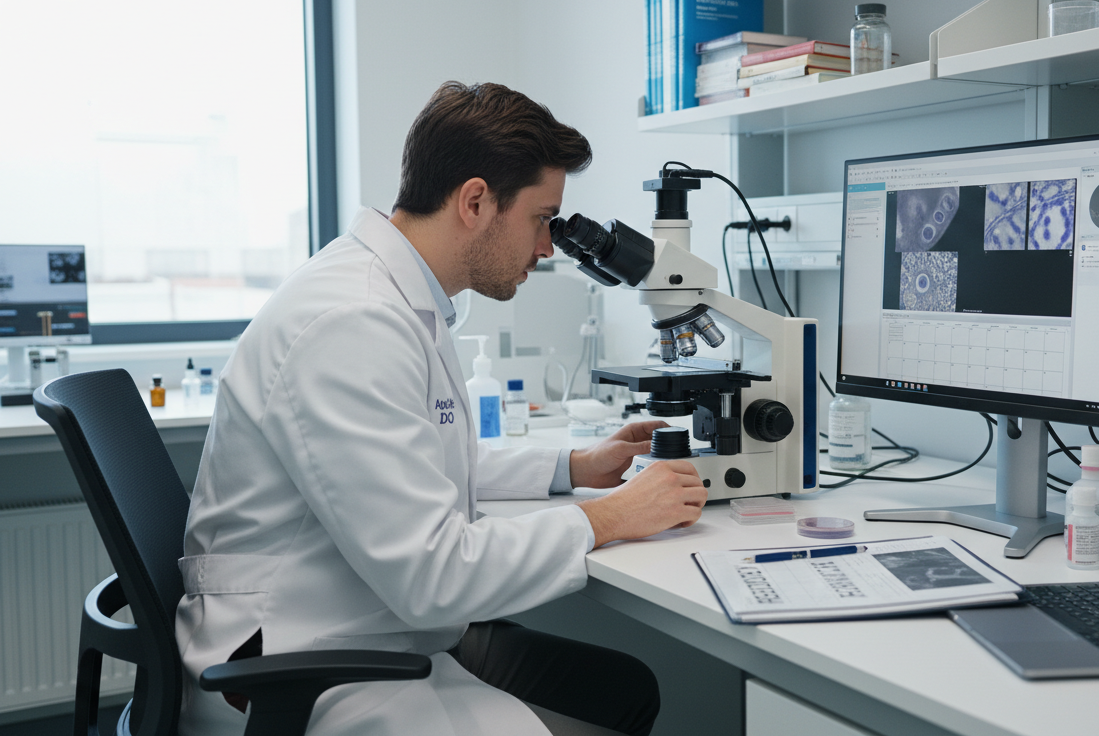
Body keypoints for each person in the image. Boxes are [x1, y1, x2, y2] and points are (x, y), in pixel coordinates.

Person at [175, 81, 708, 736]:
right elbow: (432, 575)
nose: (547, 249)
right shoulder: (353, 321)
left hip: (369, 623)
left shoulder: (397, 299)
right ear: (476, 202)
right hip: (303, 662)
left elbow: (417, 466)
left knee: (623, 689)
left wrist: (573, 464)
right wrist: (612, 517)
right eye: (542, 219)